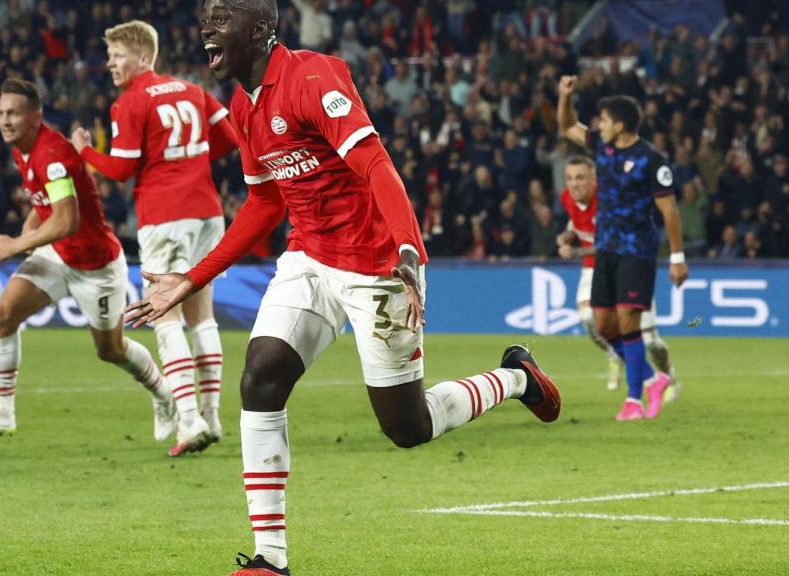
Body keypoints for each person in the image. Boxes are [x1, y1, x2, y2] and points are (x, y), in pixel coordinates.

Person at [125, 2, 562, 574]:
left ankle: (515, 378)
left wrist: (407, 244)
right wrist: (190, 278)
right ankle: (269, 559)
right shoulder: (241, 104)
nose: (207, 26)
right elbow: (263, 203)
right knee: (260, 376)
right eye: (205, 15)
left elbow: (376, 163)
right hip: (308, 257)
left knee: (408, 427)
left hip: (378, 262)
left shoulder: (313, 77)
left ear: (258, 29)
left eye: (222, 15)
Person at [0, 78, 172, 442]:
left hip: (96, 265)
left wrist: (17, 243)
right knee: (4, 315)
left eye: (13, 113)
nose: (5, 120)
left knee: (110, 350)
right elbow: (43, 204)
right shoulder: (21, 149)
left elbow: (66, 219)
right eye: (0, 113)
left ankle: (165, 395)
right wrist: (31, 232)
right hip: (58, 254)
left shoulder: (51, 154)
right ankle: (1, 414)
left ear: (35, 117)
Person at [71, 20, 240, 456]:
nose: (109, 64)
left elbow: (123, 170)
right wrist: (189, 161)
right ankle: (213, 414)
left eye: (117, 57)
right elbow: (229, 138)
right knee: (202, 315)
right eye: (108, 57)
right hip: (206, 211)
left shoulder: (130, 102)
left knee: (165, 316)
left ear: (143, 57)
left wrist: (86, 153)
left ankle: (188, 419)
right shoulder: (193, 90)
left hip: (164, 216)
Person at [556, 76, 688, 421]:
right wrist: (564, 96)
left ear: (621, 124)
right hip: (607, 249)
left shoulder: (651, 160)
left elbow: (669, 210)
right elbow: (567, 125)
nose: (598, 125)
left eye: (603, 120)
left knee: (629, 319)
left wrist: (676, 257)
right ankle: (651, 378)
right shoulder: (603, 146)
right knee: (603, 323)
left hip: (638, 249)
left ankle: (633, 401)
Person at [556, 156, 679, 401]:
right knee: (589, 320)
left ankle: (668, 375)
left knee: (650, 340)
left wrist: (575, 251)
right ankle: (618, 357)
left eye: (580, 178)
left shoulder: (610, 201)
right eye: (569, 178)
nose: (574, 184)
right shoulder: (567, 198)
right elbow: (577, 219)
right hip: (595, 268)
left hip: (628, 264)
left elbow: (614, 243)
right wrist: (567, 235)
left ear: (594, 179)